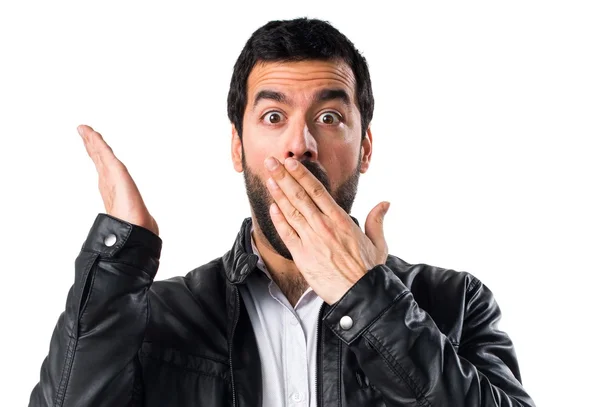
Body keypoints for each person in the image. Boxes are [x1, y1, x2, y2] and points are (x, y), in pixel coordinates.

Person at [29, 17, 536, 407]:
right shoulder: (156, 318)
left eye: (330, 116)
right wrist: (120, 261)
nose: (301, 143)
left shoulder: (455, 303)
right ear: (237, 148)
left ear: (365, 148)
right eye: (274, 116)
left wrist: (369, 301)